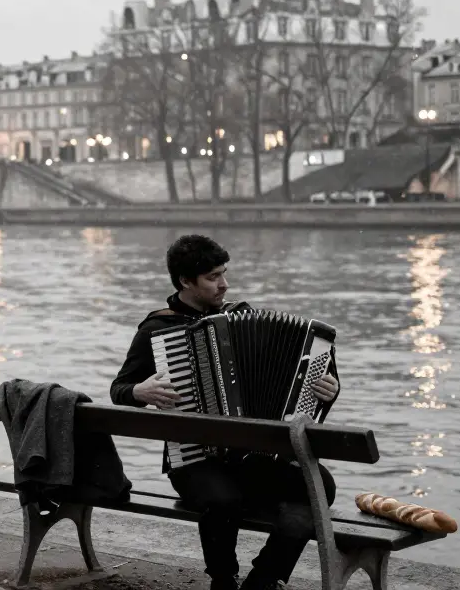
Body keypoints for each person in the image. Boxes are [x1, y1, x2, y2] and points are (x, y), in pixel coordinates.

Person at [110, 235, 341, 590]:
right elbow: (119, 390)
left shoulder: (242, 315)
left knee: (319, 486)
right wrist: (139, 391)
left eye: (224, 273)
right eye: (213, 277)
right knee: (224, 500)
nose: (224, 284)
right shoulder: (158, 329)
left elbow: (298, 371)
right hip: (195, 462)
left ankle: (264, 578)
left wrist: (328, 387)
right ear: (186, 282)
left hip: (253, 460)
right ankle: (223, 579)